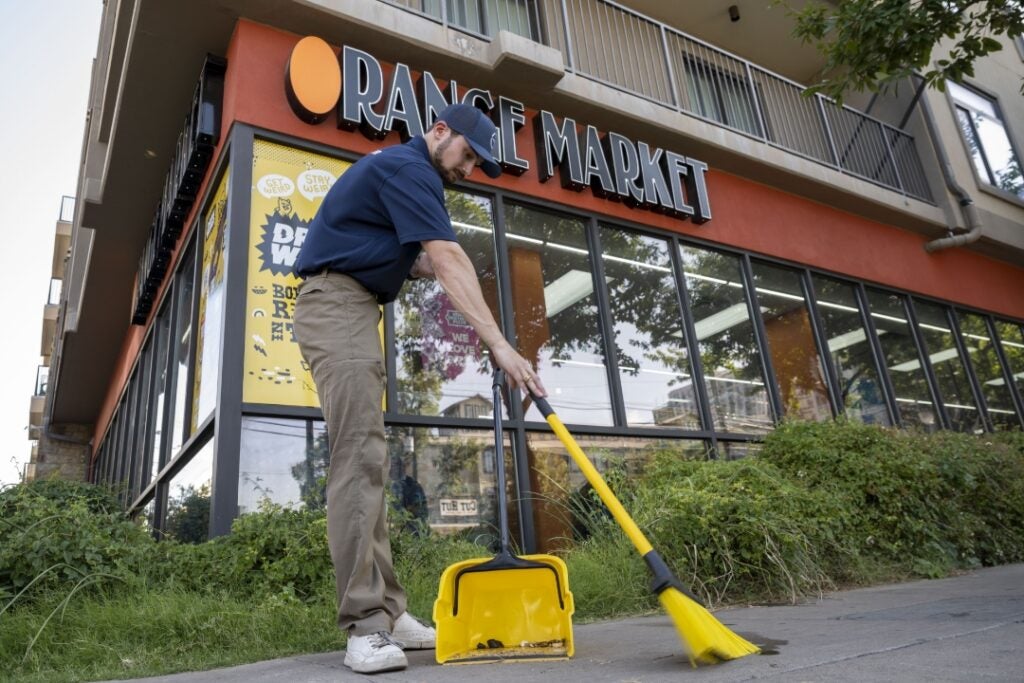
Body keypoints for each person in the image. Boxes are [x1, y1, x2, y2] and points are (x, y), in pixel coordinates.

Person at [293, 102, 547, 675]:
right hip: (336, 305)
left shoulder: (404, 173)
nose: (469, 169)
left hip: (353, 305)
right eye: (467, 154)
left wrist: (434, 268)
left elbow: (417, 259)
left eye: (478, 163)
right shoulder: (410, 169)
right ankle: (364, 626)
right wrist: (500, 345)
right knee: (357, 459)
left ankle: (389, 611)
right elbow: (446, 254)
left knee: (371, 461)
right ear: (439, 132)